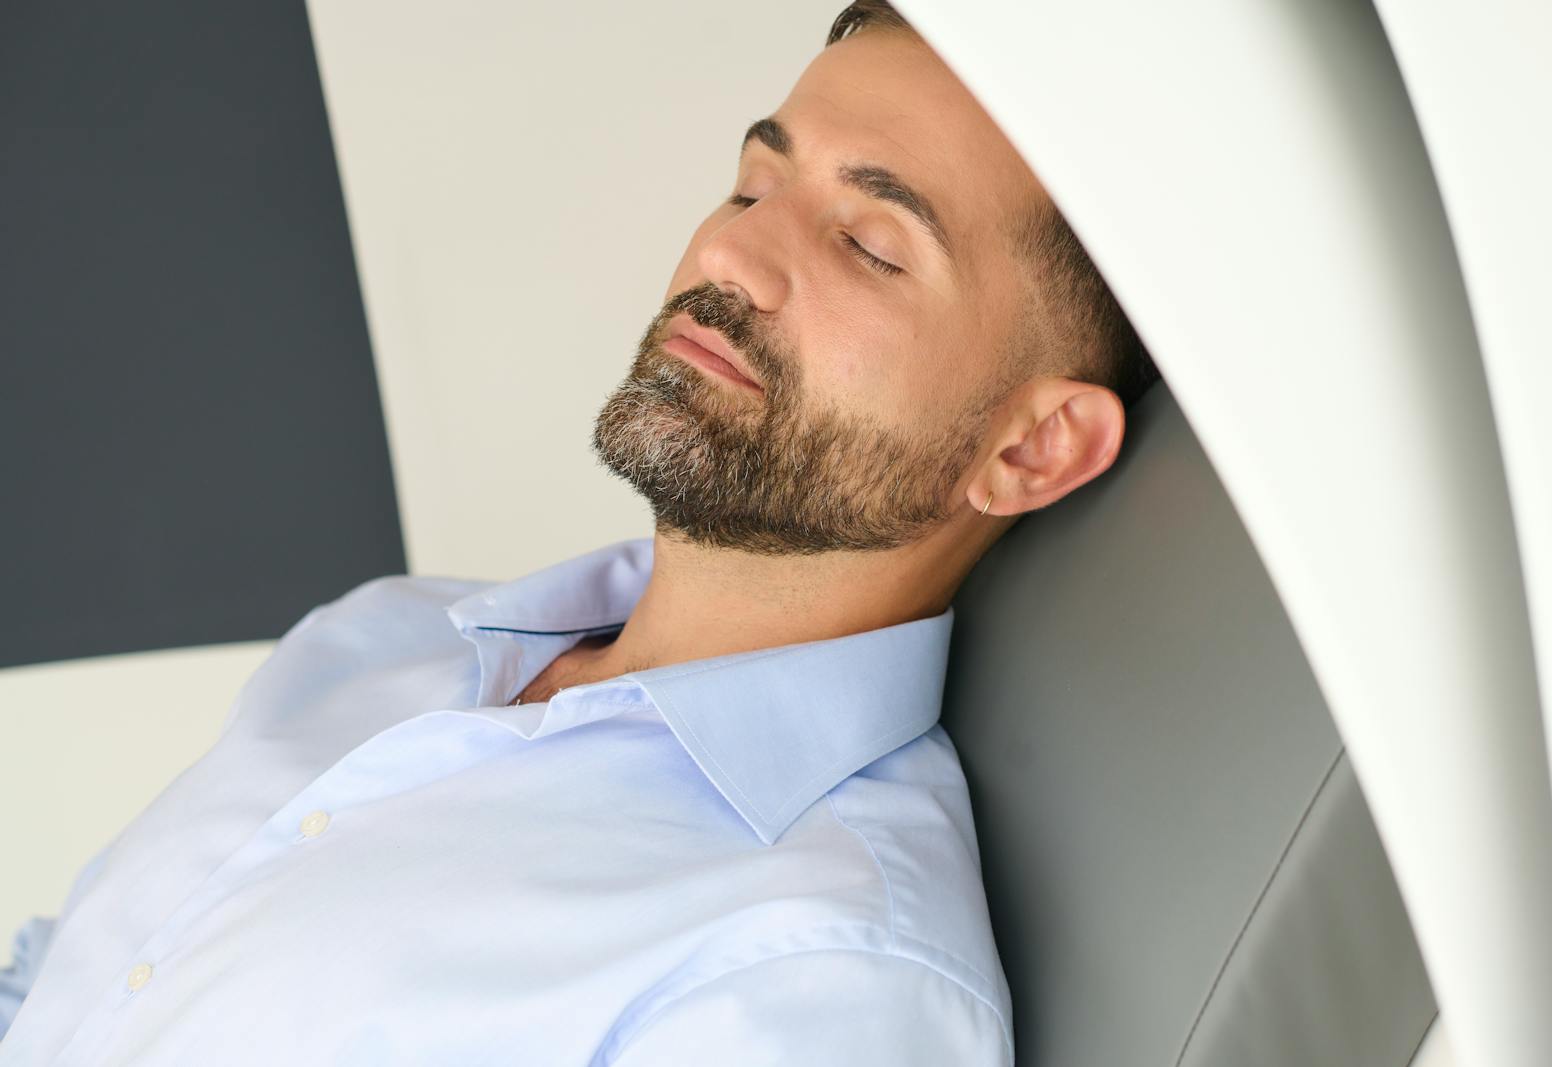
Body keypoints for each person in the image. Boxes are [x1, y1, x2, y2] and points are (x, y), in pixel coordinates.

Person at [0, 1, 1159, 1063]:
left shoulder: (820, 976)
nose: (728, 255)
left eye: (868, 243)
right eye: (754, 187)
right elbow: (65, 986)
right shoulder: (384, 636)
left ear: (1033, 448)